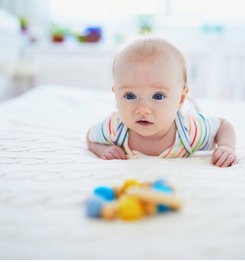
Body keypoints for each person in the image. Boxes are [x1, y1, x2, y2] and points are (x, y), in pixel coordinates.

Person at [87, 37, 237, 167]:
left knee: (194, 109)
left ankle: (189, 101)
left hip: (186, 110)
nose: (143, 109)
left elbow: (223, 125)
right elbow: (90, 137)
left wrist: (226, 147)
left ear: (180, 99)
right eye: (130, 95)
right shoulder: (115, 126)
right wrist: (103, 150)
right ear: (116, 96)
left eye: (158, 96)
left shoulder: (189, 128)